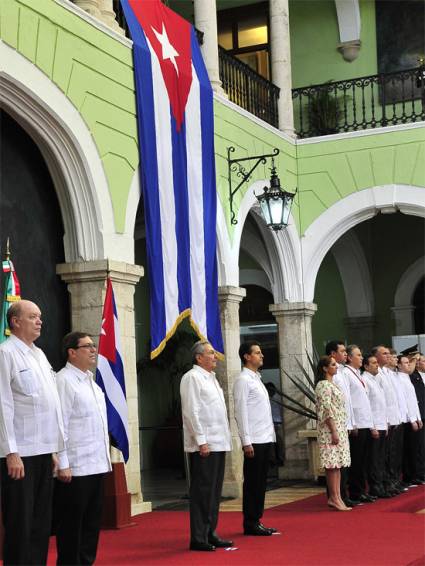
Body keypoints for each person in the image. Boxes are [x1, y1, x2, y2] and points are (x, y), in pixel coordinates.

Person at [0, 300, 64, 565]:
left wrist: (53, 449)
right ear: (15, 321)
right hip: (21, 453)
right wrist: (11, 451)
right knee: (21, 524)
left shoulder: (39, 354)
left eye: (40, 317)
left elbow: (49, 405)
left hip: (42, 450)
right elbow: (3, 404)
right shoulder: (6, 353)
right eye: (33, 317)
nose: (39, 321)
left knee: (40, 523)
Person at [55, 332, 112, 565]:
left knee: (91, 524)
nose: (93, 350)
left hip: (96, 463)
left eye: (93, 345)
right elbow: (59, 425)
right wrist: (63, 462)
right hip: (75, 467)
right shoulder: (64, 381)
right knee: (71, 526)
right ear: (72, 352)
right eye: (87, 346)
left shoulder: (92, 382)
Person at [180, 341, 232, 551]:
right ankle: (198, 537)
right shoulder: (192, 378)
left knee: (213, 492)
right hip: (205, 443)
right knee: (202, 491)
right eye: (211, 353)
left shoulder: (212, 378)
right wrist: (201, 441)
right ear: (198, 357)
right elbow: (191, 412)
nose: (215, 356)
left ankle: (211, 532)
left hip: (219, 441)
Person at [234, 342, 277, 536]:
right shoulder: (243, 380)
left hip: (265, 436)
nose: (262, 356)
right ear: (246, 356)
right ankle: (250, 522)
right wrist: (246, 441)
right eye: (257, 353)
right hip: (254, 440)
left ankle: (257, 519)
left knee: (261, 482)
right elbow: (240, 411)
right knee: (252, 482)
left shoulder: (256, 378)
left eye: (261, 352)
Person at [315, 356, 351, 511]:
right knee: (332, 465)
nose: (336, 367)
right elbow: (326, 409)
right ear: (324, 368)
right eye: (333, 364)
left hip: (339, 428)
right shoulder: (323, 385)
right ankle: (334, 497)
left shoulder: (332, 384)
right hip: (330, 430)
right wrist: (334, 430)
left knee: (337, 465)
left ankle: (337, 497)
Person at [343, 345, 377, 503]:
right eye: (358, 355)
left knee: (364, 459)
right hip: (356, 422)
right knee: (356, 460)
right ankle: (356, 491)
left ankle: (363, 489)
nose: (361, 357)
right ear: (350, 358)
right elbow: (348, 400)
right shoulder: (346, 373)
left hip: (365, 420)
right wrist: (352, 423)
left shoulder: (358, 374)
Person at [325, 340, 355, 506]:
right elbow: (330, 405)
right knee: (335, 463)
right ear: (332, 354)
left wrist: (350, 422)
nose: (345, 354)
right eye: (342, 351)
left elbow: (346, 401)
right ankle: (336, 496)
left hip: (344, 423)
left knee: (343, 462)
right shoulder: (328, 379)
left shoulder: (342, 371)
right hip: (335, 425)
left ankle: (342, 495)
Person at [361, 354, 389, 497]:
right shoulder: (365, 380)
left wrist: (386, 422)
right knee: (373, 459)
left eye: (377, 363)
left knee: (381, 457)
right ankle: (375, 487)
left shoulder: (375, 379)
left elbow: (381, 403)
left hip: (382, 423)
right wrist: (373, 427)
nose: (376, 365)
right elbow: (368, 406)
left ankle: (381, 484)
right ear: (365, 366)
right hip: (375, 425)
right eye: (373, 363)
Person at [396, 354, 423, 486]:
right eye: (405, 363)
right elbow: (404, 402)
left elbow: (413, 401)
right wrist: (412, 419)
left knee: (415, 447)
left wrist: (418, 417)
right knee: (408, 449)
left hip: (414, 417)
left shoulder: (407, 378)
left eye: (408, 362)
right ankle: (408, 476)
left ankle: (415, 474)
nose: (408, 365)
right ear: (399, 365)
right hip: (407, 419)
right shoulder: (399, 379)